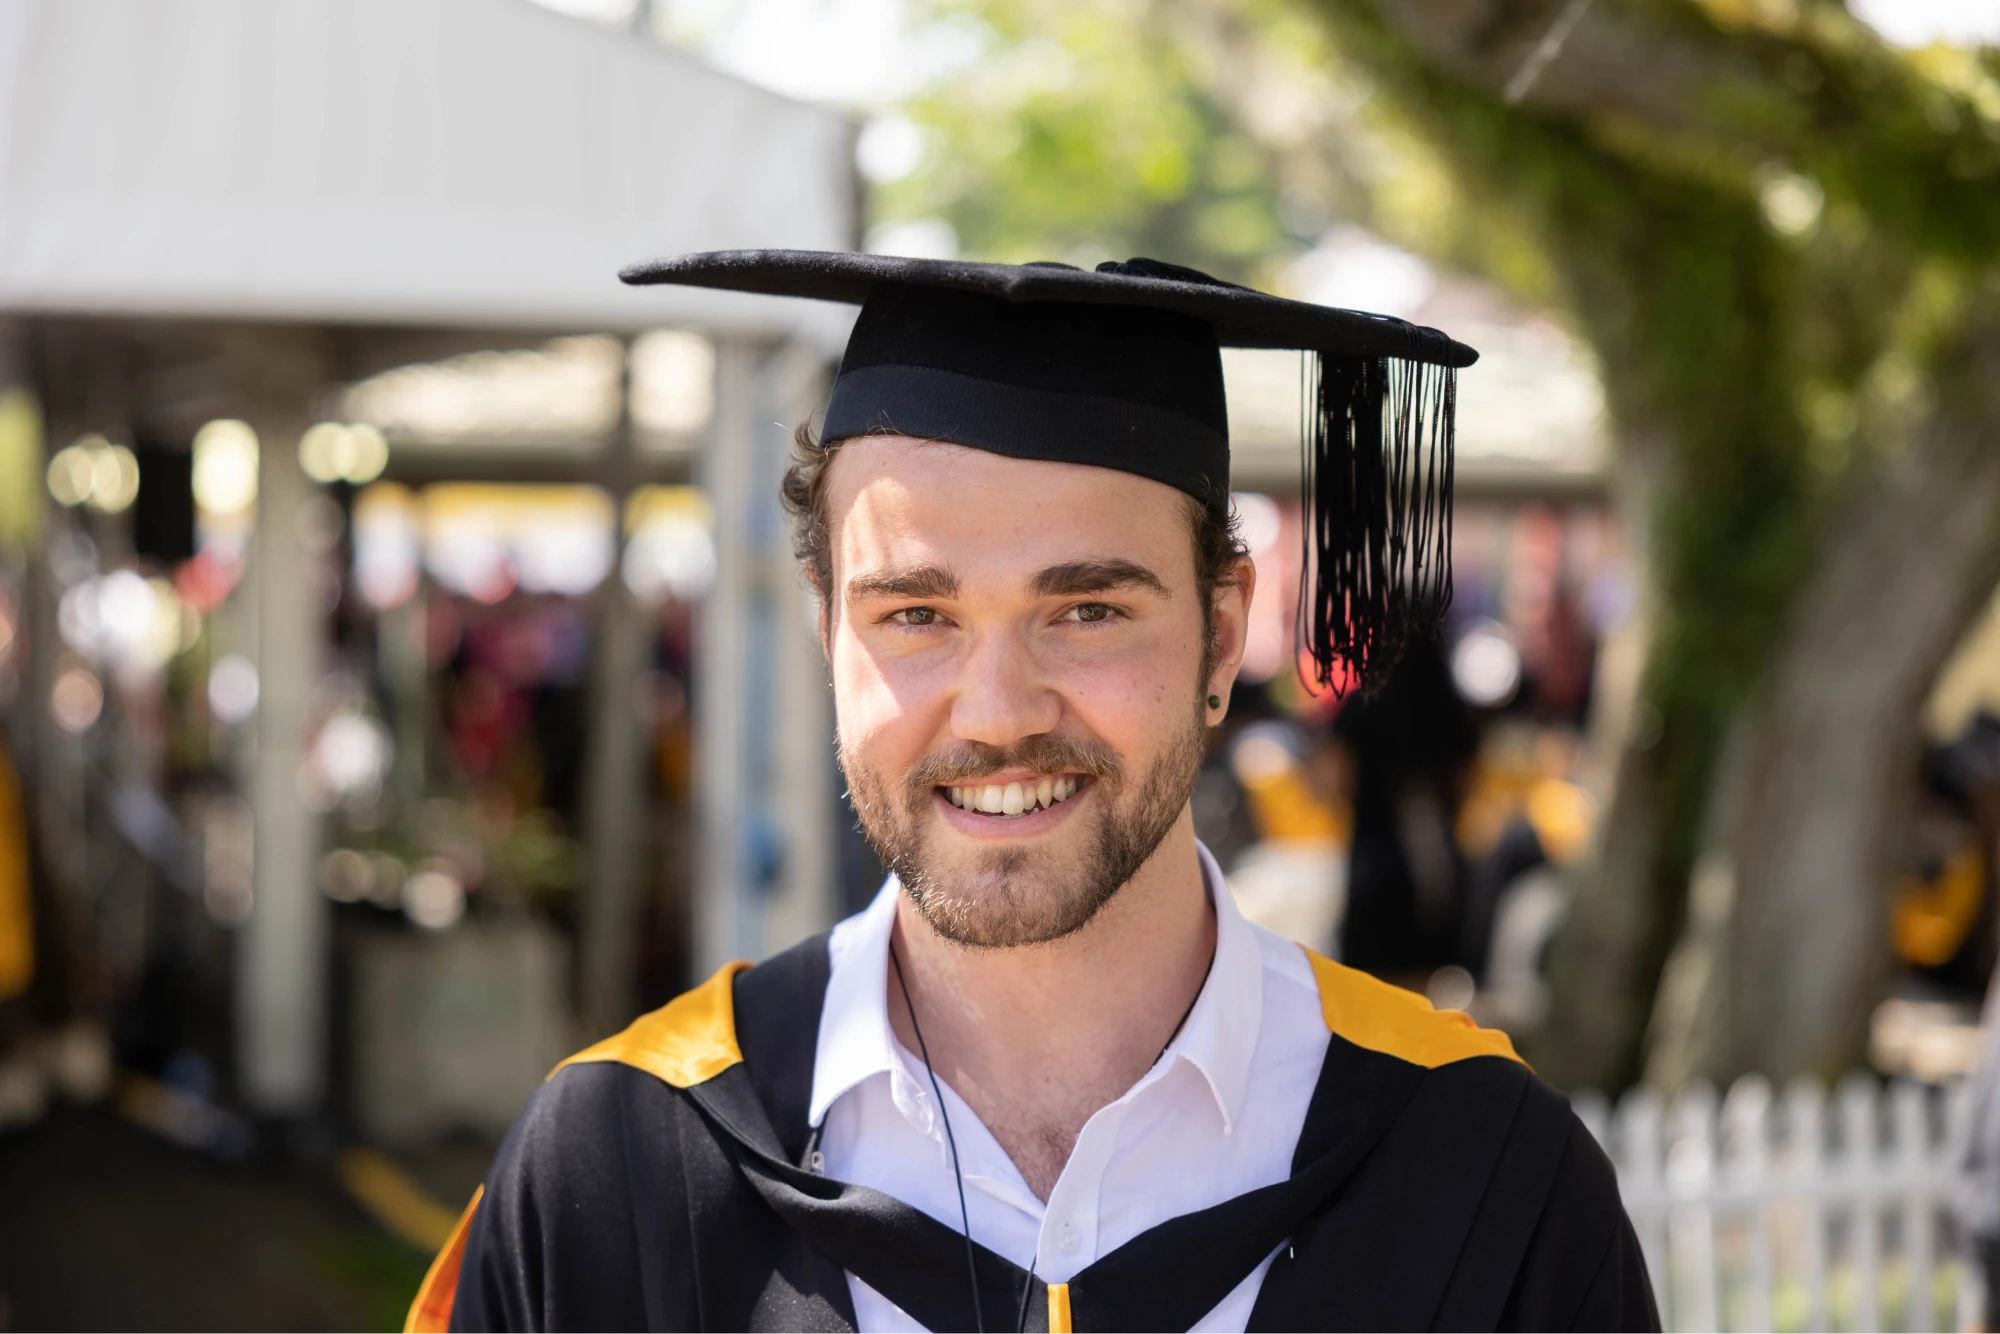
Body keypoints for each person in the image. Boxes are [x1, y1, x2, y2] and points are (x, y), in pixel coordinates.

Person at [406, 252, 1659, 1333]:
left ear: (1222, 638)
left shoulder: (1480, 1174)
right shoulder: (610, 1167)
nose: (998, 710)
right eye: (916, 614)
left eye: (1086, 610)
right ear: (825, 635)